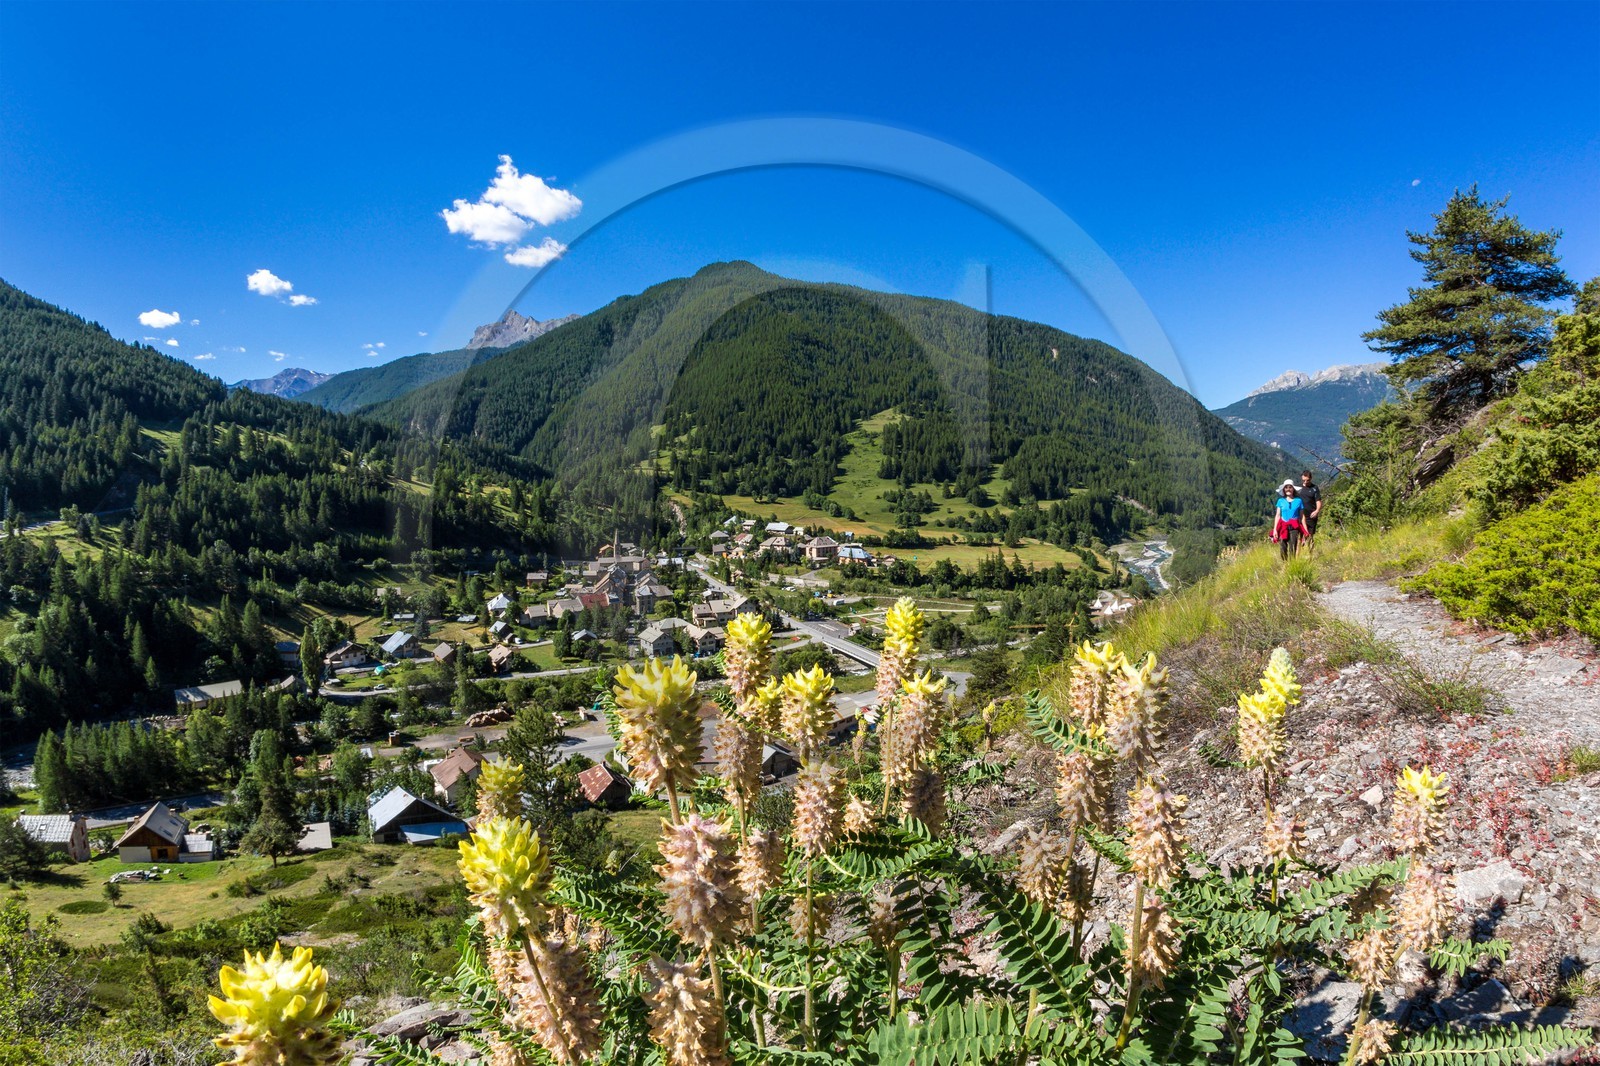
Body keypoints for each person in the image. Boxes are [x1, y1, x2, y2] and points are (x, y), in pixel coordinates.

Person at [1271, 480, 1305, 559]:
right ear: (1284, 490)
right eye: (1286, 487)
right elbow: (1278, 515)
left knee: (1292, 547)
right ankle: (1285, 563)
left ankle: (1292, 564)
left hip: (1294, 527)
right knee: (1283, 547)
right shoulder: (1280, 501)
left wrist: (1304, 530)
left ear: (1293, 489)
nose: (1288, 489)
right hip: (1283, 526)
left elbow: (1302, 517)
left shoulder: (1299, 501)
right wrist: (1275, 529)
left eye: (1290, 487)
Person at [1297, 469, 1323, 553]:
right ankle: (1297, 555)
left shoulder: (1314, 488)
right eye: (1303, 480)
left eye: (1307, 480)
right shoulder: (1298, 488)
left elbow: (1318, 500)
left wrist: (1317, 510)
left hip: (1311, 516)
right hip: (1300, 516)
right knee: (1300, 537)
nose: (1305, 482)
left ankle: (1310, 554)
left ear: (1311, 478)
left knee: (1310, 536)